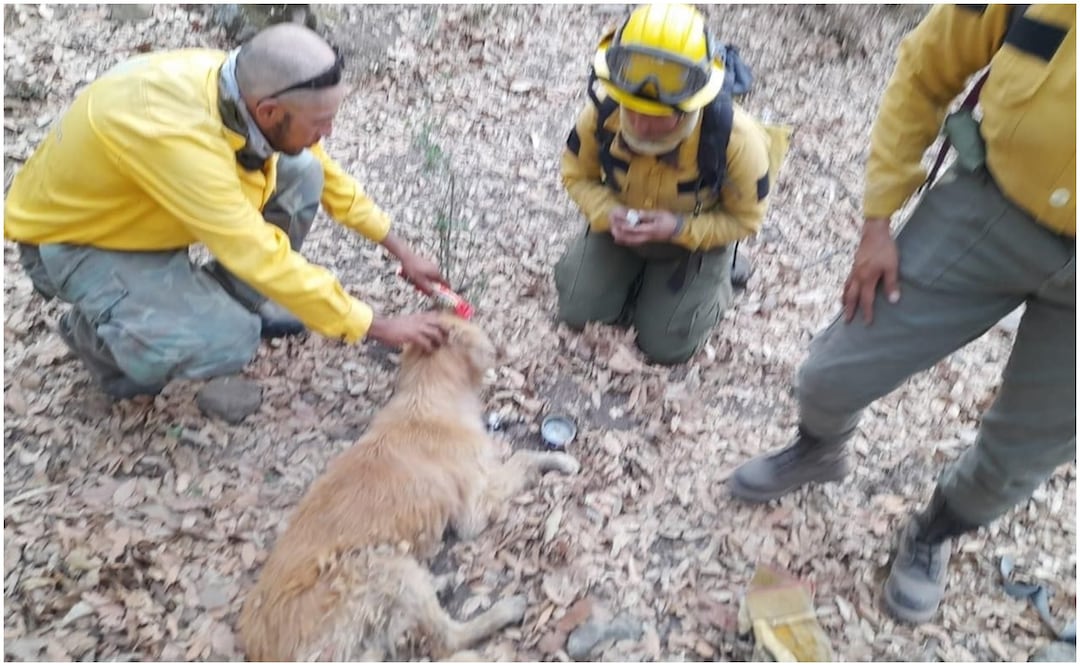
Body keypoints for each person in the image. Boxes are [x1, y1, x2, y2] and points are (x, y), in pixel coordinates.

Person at [729, 4, 1075, 624]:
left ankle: (935, 532)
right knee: (831, 374)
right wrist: (878, 220)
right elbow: (924, 67)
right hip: (990, 206)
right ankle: (818, 449)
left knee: (1021, 455)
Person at [4, 23, 451, 400]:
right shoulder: (176, 135)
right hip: (76, 244)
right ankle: (101, 340)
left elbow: (319, 165)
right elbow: (255, 251)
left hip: (143, 215)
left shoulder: (236, 82)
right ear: (269, 110)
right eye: (319, 124)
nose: (327, 133)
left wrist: (400, 249)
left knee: (303, 169)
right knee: (232, 340)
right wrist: (375, 325)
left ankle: (219, 301)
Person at [554, 3, 789, 365]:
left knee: (667, 347)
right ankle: (636, 281)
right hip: (620, 231)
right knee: (576, 310)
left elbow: (745, 220)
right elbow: (575, 174)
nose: (641, 124)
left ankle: (722, 277)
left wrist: (678, 228)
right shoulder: (604, 112)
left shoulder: (735, 140)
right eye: (632, 109)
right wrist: (607, 213)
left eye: (658, 116)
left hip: (691, 243)